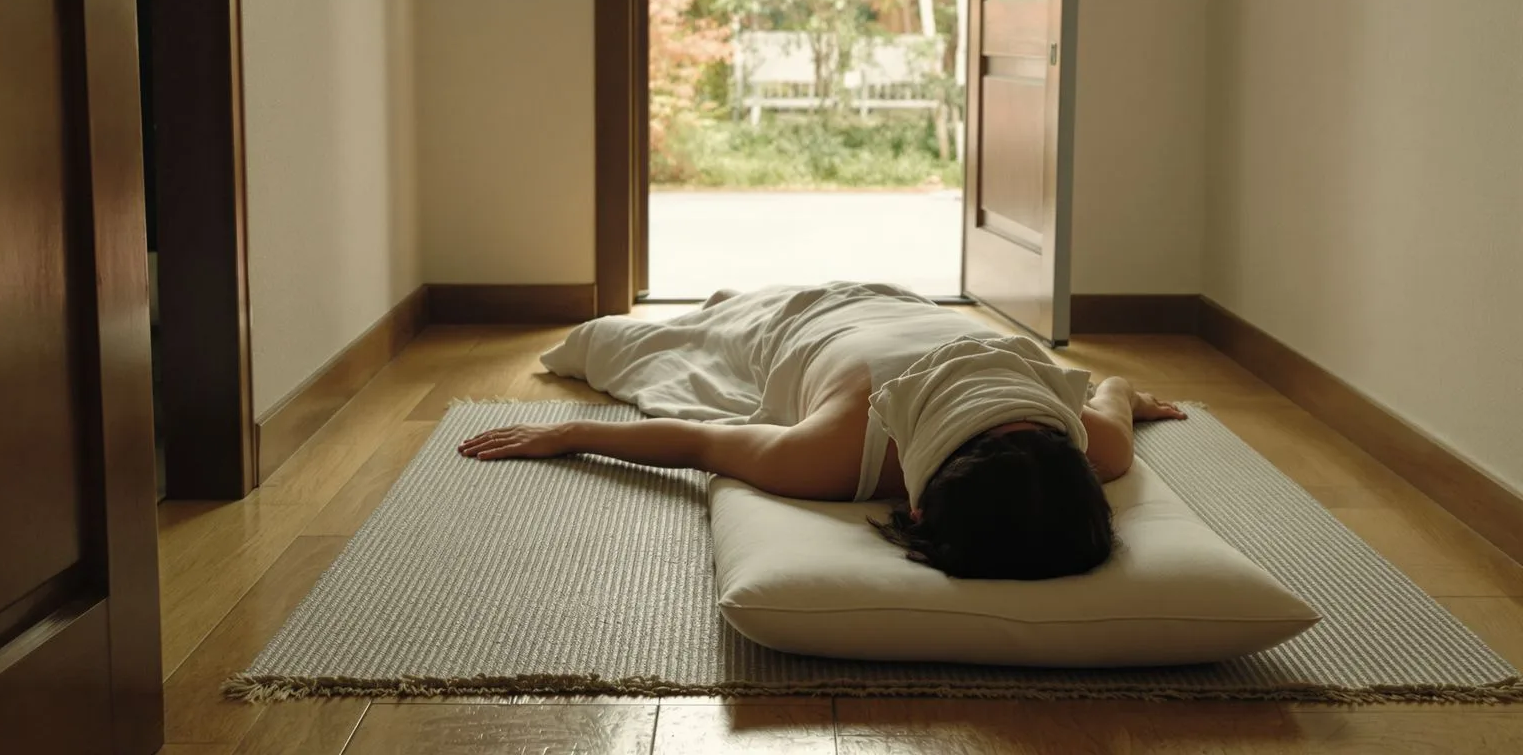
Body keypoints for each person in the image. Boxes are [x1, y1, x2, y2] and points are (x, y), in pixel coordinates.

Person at [457, 282, 1187, 581]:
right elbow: (697, 441)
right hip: (813, 321)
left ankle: (741, 298)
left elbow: (1112, 388)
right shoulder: (836, 452)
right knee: (626, 343)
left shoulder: (1094, 445)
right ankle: (740, 300)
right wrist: (570, 433)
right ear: (920, 511)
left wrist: (1128, 396)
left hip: (920, 316)